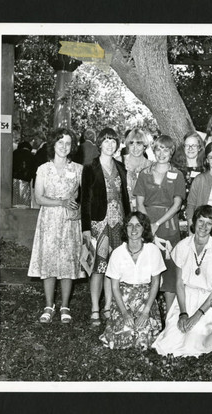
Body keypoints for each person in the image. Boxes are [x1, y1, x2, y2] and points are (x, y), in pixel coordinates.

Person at [152, 205, 212, 357]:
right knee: (171, 339)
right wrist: (183, 313)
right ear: (194, 222)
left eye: (208, 223)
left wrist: (197, 315)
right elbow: (179, 284)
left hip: (208, 302)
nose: (203, 227)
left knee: (194, 338)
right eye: (201, 221)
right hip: (185, 299)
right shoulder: (182, 246)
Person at [28, 128, 83, 323]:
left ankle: (65, 306)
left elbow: (87, 195)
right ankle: (49, 305)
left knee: (67, 262)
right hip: (49, 220)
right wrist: (61, 202)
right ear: (53, 145)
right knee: (49, 261)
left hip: (69, 221)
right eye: (60, 142)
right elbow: (39, 197)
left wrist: (78, 207)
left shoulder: (78, 169)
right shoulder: (44, 168)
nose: (64, 147)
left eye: (68, 143)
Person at [82, 127, 131, 327]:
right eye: (106, 140)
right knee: (98, 267)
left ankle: (109, 306)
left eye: (113, 141)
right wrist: (86, 228)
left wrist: (128, 223)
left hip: (119, 223)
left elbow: (125, 198)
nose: (110, 144)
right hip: (99, 224)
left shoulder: (121, 167)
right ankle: (95, 308)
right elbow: (84, 200)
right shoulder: (90, 167)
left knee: (114, 267)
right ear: (100, 143)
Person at [99, 212, 165, 350]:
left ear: (144, 229)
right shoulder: (117, 253)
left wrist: (146, 311)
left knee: (142, 337)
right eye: (130, 225)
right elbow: (115, 287)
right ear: (125, 228)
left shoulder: (153, 251)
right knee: (125, 333)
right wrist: (124, 312)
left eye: (138, 225)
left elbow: (155, 283)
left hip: (146, 298)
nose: (134, 229)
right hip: (123, 298)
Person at [134, 135, 185, 312]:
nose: (162, 153)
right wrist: (149, 226)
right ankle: (147, 311)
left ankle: (170, 314)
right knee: (148, 266)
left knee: (170, 267)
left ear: (171, 152)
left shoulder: (177, 174)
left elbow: (177, 204)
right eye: (158, 149)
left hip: (169, 225)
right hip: (146, 224)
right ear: (153, 150)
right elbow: (139, 203)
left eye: (166, 149)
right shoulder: (144, 174)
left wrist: (157, 224)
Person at [172, 132, 205, 239]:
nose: (190, 148)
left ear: (199, 147)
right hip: (179, 217)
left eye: (194, 145)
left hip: (201, 217)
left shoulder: (206, 170)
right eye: (187, 145)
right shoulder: (175, 170)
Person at [122, 128, 152, 212]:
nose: (135, 148)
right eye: (132, 144)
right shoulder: (119, 161)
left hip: (145, 211)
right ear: (128, 145)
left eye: (139, 144)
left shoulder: (151, 166)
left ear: (144, 146)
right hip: (124, 210)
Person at [12, 141, 35, 208]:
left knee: (14, 202)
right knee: (24, 203)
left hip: (13, 180)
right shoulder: (31, 156)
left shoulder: (14, 153)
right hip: (25, 182)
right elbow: (33, 171)